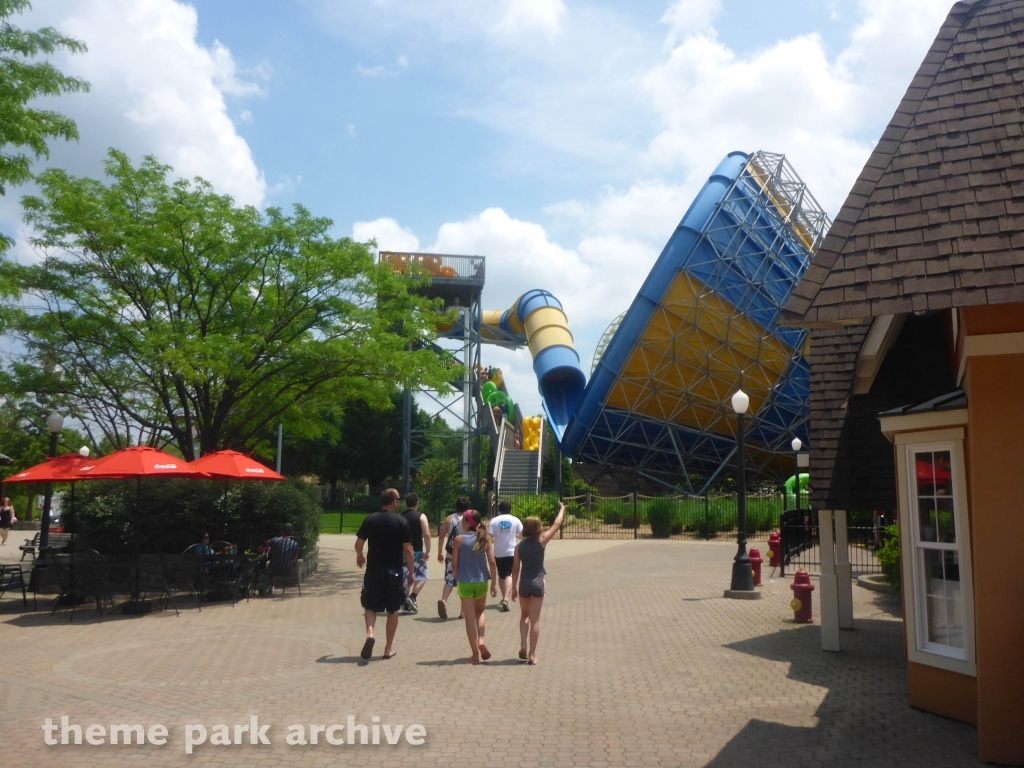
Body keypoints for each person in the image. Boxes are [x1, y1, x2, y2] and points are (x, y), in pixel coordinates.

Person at [355, 488, 415, 660]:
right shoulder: (401, 521)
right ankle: (388, 648)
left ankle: (370, 634)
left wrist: (360, 555)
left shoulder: (370, 519)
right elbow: (408, 549)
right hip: (394, 571)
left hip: (374, 570)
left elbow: (358, 544)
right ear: (394, 501)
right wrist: (411, 572)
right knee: (393, 609)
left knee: (370, 605)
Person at [511, 502, 565, 665]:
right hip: (538, 582)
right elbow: (556, 524)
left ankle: (523, 645)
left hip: (524, 583)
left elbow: (515, 570)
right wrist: (562, 509)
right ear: (538, 529)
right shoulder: (542, 542)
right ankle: (532, 655)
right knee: (535, 619)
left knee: (524, 615)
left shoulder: (519, 547)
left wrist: (513, 588)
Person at [451, 509, 497, 664]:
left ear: (467, 522)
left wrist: (457, 577)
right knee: (480, 611)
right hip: (482, 580)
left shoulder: (459, 539)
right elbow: (492, 562)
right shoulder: (485, 538)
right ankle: (481, 640)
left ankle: (475, 655)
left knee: (469, 618)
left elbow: (454, 563)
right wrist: (494, 583)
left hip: (465, 581)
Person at [436, 496, 470, 620]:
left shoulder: (449, 518)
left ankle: (444, 600)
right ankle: (463, 612)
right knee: (463, 582)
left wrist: (439, 552)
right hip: (465, 555)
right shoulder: (469, 518)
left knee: (450, 580)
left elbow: (441, 536)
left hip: (451, 555)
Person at [488, 501, 523, 611]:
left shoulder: (494, 521)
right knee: (509, 574)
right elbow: (522, 534)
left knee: (502, 575)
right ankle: (506, 598)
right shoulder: (515, 520)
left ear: (499, 510)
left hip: (498, 552)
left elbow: (489, 537)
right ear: (510, 509)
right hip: (511, 552)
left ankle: (504, 597)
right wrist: (515, 535)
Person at [400, 492, 431, 613]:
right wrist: (428, 551)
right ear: (417, 503)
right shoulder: (421, 516)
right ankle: (413, 597)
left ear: (406, 503)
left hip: (402, 552)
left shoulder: (399, 516)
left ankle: (406, 605)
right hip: (417, 552)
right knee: (422, 575)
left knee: (405, 577)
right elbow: (426, 534)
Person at [266, 523, 299, 595]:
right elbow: (295, 559)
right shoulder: (294, 543)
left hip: (274, 569)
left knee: (266, 567)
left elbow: (267, 543)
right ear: (292, 533)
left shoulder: (275, 540)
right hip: (288, 570)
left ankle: (271, 587)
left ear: (282, 532)